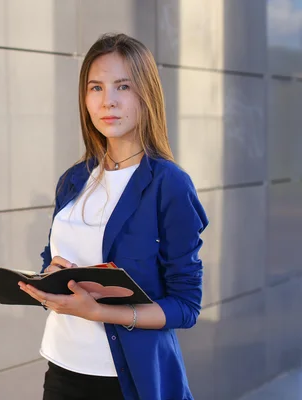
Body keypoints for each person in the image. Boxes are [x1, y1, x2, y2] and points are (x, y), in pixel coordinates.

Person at [18, 33, 209, 400]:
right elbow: (51, 260)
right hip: (62, 369)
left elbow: (186, 306)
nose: (108, 101)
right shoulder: (75, 179)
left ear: (146, 94)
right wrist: (48, 282)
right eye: (96, 87)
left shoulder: (169, 185)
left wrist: (100, 313)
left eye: (123, 86)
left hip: (127, 382)